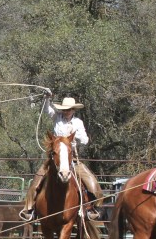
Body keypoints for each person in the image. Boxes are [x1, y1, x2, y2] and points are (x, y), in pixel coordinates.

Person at [19, 92, 104, 222]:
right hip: (55, 159)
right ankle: (29, 209)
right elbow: (47, 110)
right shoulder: (57, 117)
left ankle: (95, 208)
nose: (66, 112)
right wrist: (47, 98)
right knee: (36, 180)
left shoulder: (78, 123)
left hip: (72, 159)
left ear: (73, 110)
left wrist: (74, 134)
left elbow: (85, 140)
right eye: (64, 109)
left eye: (69, 109)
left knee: (92, 181)